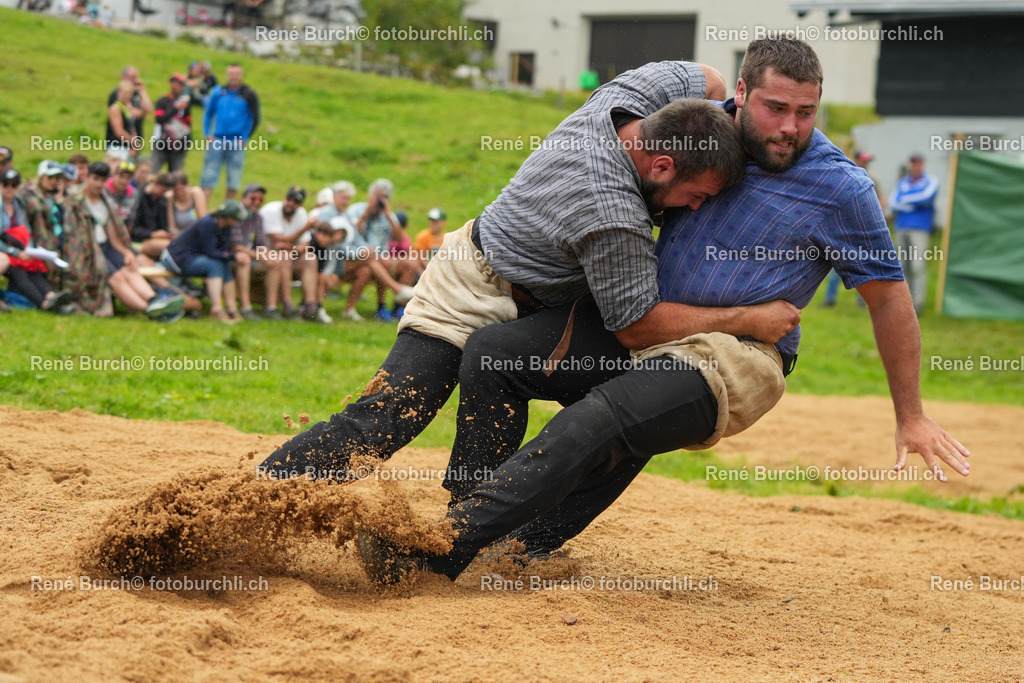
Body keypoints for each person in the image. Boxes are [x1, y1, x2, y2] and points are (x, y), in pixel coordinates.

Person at [353, 39, 971, 585]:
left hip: (736, 351)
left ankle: (440, 551)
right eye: (775, 108)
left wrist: (911, 414)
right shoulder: (697, 133)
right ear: (742, 93)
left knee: (600, 422)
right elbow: (692, 78)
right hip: (647, 318)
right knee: (493, 358)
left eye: (805, 113)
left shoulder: (842, 188)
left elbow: (888, 296)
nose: (790, 127)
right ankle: (491, 529)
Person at [258, 60, 791, 486]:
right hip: (470, 285)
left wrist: (730, 121)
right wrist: (745, 318)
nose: (696, 210)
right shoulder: (609, 213)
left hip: (545, 291)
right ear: (662, 167)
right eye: (696, 197)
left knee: (623, 405)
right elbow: (637, 326)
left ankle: (478, 524)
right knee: (394, 412)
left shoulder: (629, 99)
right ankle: (256, 498)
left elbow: (710, 79)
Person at [65, 162, 183, 319]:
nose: (99, 184)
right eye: (95, 179)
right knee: (117, 278)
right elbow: (72, 236)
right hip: (87, 251)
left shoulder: (105, 202)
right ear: (87, 178)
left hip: (105, 247)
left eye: (102, 180)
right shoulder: (76, 200)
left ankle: (154, 300)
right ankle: (150, 310)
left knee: (130, 267)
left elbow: (112, 235)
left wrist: (126, 252)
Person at [22, 160, 108, 314]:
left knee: (82, 264)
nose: (54, 182)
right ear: (41, 177)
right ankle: (59, 302)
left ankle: (75, 304)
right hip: (41, 246)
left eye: (57, 178)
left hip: (64, 244)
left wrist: (60, 200)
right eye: (50, 178)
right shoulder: (31, 196)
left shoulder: (61, 197)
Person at [160, 200, 248, 323]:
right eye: (236, 219)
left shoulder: (226, 228)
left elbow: (221, 252)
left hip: (193, 258)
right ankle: (216, 309)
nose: (238, 222)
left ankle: (232, 309)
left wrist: (230, 257)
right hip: (177, 259)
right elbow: (210, 251)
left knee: (225, 264)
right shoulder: (207, 223)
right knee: (215, 265)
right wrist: (234, 256)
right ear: (228, 217)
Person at [345, 179, 418, 322]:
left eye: (383, 198)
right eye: (377, 197)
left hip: (382, 258)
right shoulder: (356, 210)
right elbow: (351, 235)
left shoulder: (387, 215)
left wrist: (388, 214)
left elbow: (398, 238)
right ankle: (381, 306)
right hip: (357, 258)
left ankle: (399, 307)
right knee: (383, 260)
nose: (378, 201)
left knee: (411, 264)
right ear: (370, 195)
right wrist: (366, 212)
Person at [822, 150, 882, 307]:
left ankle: (863, 301)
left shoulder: (872, 179)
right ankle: (830, 299)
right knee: (837, 267)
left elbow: (881, 201)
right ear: (855, 160)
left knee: (863, 266)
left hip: (864, 230)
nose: (866, 163)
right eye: (863, 160)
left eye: (867, 161)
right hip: (843, 229)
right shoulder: (843, 177)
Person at [200, 64, 259, 200]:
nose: (234, 77)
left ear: (241, 75)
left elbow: (255, 118)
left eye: (236, 74)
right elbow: (208, 113)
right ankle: (202, 209)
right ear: (227, 75)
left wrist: (244, 138)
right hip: (217, 139)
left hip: (236, 142)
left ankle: (228, 211)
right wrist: (207, 134)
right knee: (209, 176)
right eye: (231, 74)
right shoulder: (219, 92)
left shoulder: (248, 94)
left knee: (234, 178)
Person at [889, 153, 939, 315]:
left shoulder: (931, 181)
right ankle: (905, 303)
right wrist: (912, 204)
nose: (915, 166)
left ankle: (918, 304)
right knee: (903, 266)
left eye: (917, 163)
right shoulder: (903, 183)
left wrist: (906, 201)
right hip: (902, 227)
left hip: (920, 229)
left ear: (923, 164)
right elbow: (893, 203)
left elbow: (926, 198)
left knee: (917, 266)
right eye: (912, 163)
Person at [259, 185, 318, 319]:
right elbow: (277, 240)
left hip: (288, 254)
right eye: (289, 199)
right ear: (284, 198)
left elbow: (306, 244)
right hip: (264, 254)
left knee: (310, 258)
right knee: (284, 256)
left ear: (301, 204)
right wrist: (304, 229)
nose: (291, 204)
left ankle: (310, 306)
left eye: (296, 202)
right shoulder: (271, 210)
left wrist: (291, 247)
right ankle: (287, 305)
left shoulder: (301, 213)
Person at [228, 183, 283, 320]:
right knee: (244, 260)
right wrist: (259, 255)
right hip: (229, 258)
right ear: (243, 198)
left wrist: (270, 256)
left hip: (250, 257)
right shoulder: (234, 213)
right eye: (253, 198)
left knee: (274, 263)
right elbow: (236, 247)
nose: (257, 202)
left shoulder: (257, 217)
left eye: (260, 200)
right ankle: (246, 308)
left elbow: (260, 244)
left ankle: (270, 308)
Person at [151, 74, 193, 173]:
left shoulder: (185, 103)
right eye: (179, 85)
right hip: (161, 143)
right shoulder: (162, 101)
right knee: (153, 172)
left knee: (175, 176)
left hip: (178, 146)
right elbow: (159, 119)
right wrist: (175, 109)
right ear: (172, 84)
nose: (182, 88)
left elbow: (188, 124)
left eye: (183, 85)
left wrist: (187, 142)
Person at [129, 172, 174, 259]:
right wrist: (152, 234)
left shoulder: (161, 200)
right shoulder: (138, 197)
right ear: (155, 184)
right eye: (163, 190)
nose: (164, 194)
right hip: (140, 240)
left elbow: (163, 225)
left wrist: (166, 233)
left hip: (156, 239)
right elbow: (133, 229)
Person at [106, 66, 152, 142]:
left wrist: (141, 91)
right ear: (123, 77)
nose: (135, 81)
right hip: (118, 143)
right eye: (132, 78)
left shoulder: (136, 94)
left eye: (136, 77)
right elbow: (127, 113)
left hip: (133, 143)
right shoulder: (116, 94)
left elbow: (148, 109)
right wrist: (133, 142)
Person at [107, 79, 142, 161]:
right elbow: (119, 131)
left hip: (127, 148)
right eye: (125, 93)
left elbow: (132, 127)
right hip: (117, 148)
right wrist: (134, 143)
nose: (128, 96)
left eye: (130, 93)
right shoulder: (115, 108)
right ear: (119, 93)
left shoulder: (127, 109)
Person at [104, 160, 136, 224]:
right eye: (121, 176)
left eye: (128, 178)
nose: (124, 181)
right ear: (114, 175)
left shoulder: (134, 194)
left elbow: (131, 220)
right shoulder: (104, 190)